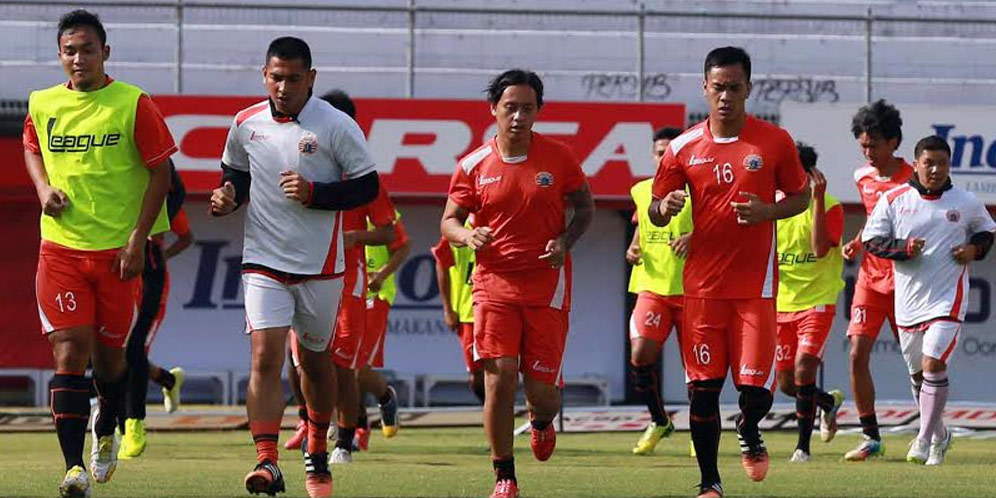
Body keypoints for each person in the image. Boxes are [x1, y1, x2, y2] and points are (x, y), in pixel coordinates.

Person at [211, 38, 380, 498]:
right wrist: (227, 196)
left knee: (315, 363)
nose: (282, 86)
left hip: (321, 266)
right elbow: (236, 175)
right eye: (275, 76)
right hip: (263, 260)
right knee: (265, 357)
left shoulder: (337, 125)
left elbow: (367, 187)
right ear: (265, 75)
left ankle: (318, 454)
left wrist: (316, 195)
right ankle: (266, 462)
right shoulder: (245, 123)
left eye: (292, 78)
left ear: (311, 78)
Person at [22, 9, 176, 497]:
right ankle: (72, 470)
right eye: (70, 50)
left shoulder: (133, 103)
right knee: (69, 354)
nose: (78, 58)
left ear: (105, 53)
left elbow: (161, 174)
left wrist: (137, 240)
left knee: (112, 363)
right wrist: (43, 187)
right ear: (60, 55)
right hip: (61, 249)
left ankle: (105, 424)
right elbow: (30, 145)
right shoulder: (43, 103)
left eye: (88, 49)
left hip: (118, 255)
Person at [648, 47, 810, 498]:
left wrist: (768, 212)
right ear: (705, 87)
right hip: (701, 290)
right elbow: (656, 211)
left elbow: (801, 198)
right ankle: (709, 483)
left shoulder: (774, 141)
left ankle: (749, 426)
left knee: (756, 393)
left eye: (734, 88)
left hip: (755, 289)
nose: (725, 96)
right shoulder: (681, 148)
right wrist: (667, 206)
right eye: (717, 87)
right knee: (702, 391)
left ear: (748, 90)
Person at [441, 69, 594, 498]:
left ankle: (542, 421)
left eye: (528, 108)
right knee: (499, 376)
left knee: (543, 394)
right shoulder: (472, 165)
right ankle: (504, 474)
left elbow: (585, 207)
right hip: (493, 284)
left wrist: (565, 240)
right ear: (494, 110)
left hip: (547, 285)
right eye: (510, 107)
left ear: (538, 111)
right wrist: (468, 235)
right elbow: (449, 220)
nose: (518, 116)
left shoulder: (560, 158)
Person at [862, 136, 995, 466]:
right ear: (916, 163)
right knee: (919, 376)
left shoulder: (965, 201)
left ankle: (921, 439)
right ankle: (939, 436)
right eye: (929, 163)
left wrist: (974, 250)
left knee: (933, 363)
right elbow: (871, 240)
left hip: (948, 298)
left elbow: (987, 231)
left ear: (950, 166)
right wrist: (904, 249)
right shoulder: (894, 199)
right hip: (908, 301)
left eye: (942, 164)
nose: (935, 170)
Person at [840, 99, 914, 462]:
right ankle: (871, 437)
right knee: (856, 355)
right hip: (871, 280)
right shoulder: (862, 178)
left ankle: (931, 430)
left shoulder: (915, 179)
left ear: (894, 143)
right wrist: (858, 242)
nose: (868, 152)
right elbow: (874, 222)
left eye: (874, 144)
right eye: (863, 145)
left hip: (907, 283)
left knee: (916, 362)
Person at [773, 143, 846, 463]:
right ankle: (827, 403)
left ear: (809, 176)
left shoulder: (830, 205)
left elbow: (818, 250)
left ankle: (802, 447)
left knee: (804, 369)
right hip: (781, 304)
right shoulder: (774, 206)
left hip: (817, 300)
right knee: (787, 382)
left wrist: (815, 201)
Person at [117, 161, 193, 459]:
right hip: (121, 276)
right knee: (120, 352)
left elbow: (186, 234)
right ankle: (167, 380)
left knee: (134, 350)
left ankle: (132, 426)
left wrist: (161, 248)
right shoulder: (116, 195)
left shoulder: (161, 201)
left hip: (151, 281)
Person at [626, 126, 690, 456]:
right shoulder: (642, 190)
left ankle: (700, 429)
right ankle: (660, 420)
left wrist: (694, 239)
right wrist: (633, 248)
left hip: (694, 291)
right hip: (652, 287)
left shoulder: (700, 188)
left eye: (669, 151)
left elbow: (723, 226)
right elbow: (642, 227)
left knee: (697, 370)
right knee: (641, 355)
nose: (662, 157)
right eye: (658, 152)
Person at [356, 207, 411, 449]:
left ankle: (385, 397)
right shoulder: (332, 204)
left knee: (357, 369)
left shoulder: (378, 208)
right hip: (340, 294)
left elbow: (404, 246)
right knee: (339, 369)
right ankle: (356, 429)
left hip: (373, 295)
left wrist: (382, 273)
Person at [432, 216, 483, 404]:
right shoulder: (457, 230)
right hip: (468, 313)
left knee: (502, 367)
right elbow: (441, 263)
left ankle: (500, 413)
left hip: (497, 309)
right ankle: (489, 410)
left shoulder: (499, 224)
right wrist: (448, 309)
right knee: (476, 373)